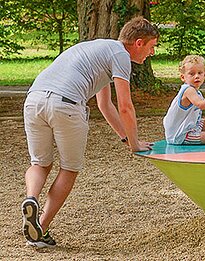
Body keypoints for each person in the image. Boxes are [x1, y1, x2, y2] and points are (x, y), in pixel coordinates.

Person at [21, 15, 159, 249]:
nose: (152, 53)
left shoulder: (98, 49)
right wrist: (135, 144)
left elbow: (105, 105)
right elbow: (125, 106)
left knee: (40, 164)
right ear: (138, 43)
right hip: (66, 105)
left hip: (34, 100)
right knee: (69, 168)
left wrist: (126, 138)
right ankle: (40, 229)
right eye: (151, 46)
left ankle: (31, 198)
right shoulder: (121, 56)